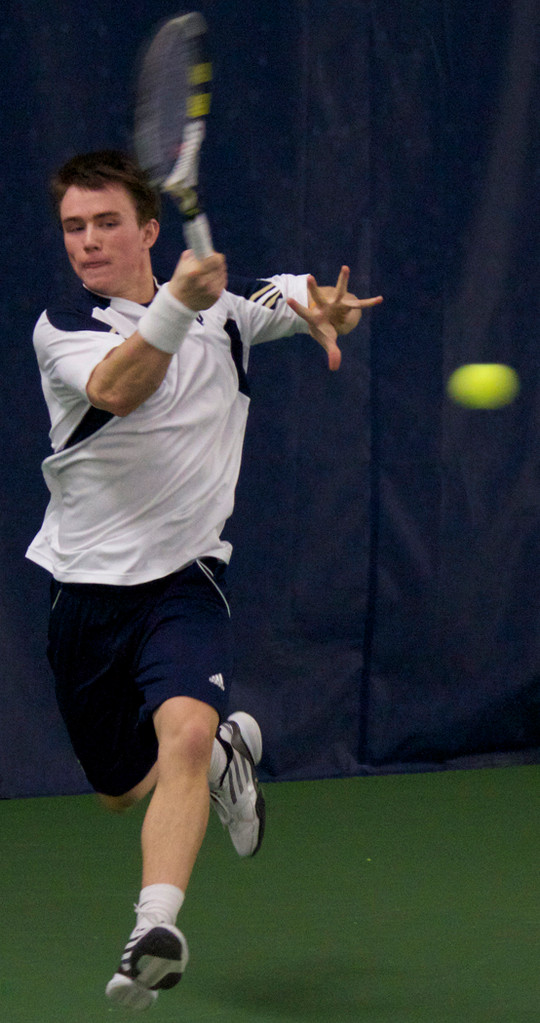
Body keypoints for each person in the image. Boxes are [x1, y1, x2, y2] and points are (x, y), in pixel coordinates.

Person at [26, 150, 382, 1011]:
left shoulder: (226, 312)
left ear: (150, 228)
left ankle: (154, 928)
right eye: (75, 226)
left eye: (107, 221)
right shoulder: (64, 326)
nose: (88, 241)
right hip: (86, 591)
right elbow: (120, 389)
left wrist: (322, 306)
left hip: (186, 580)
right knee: (119, 789)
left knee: (182, 732)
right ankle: (229, 754)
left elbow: (293, 296)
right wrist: (179, 308)